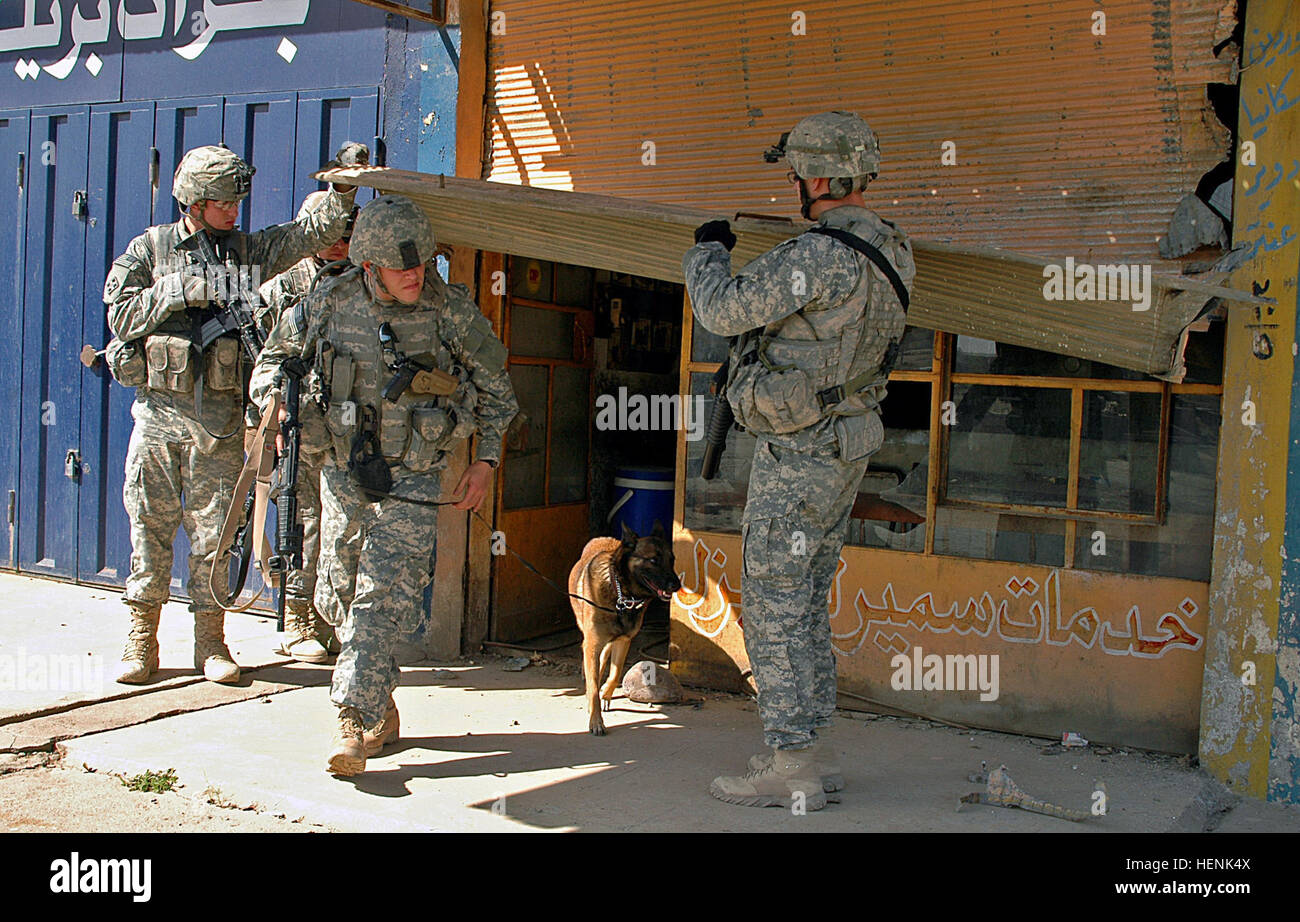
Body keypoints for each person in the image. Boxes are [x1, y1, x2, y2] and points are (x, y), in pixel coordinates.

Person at [682, 111, 914, 810]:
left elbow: (722, 311)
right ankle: (808, 751)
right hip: (844, 444)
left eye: (796, 175)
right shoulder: (895, 251)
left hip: (801, 448)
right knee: (806, 597)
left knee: (775, 604)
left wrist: (707, 252)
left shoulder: (819, 255)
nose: (793, 187)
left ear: (819, 177)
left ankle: (792, 767)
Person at [250, 194, 518, 776]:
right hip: (345, 473)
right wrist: (272, 401)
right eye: (403, 267)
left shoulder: (451, 311)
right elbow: (273, 359)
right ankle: (381, 707)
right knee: (338, 593)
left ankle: (349, 718)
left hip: (416, 479)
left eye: (421, 262)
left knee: (379, 598)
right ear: (369, 266)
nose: (416, 274)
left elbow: (499, 393)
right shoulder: (326, 300)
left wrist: (485, 462)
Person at [105, 141, 367, 686]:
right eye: (225, 202)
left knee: (214, 537)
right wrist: (174, 292)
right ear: (195, 202)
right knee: (150, 530)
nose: (235, 211)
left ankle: (210, 642)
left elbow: (304, 237)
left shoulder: (247, 254)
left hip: (219, 423)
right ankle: (141, 641)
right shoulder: (149, 251)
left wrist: (342, 191)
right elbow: (121, 315)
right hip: (158, 415)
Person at [253, 192, 358, 663]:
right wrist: (268, 411)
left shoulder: (363, 282)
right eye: (328, 233)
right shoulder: (281, 288)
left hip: (350, 424)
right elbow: (263, 358)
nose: (338, 243)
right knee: (301, 517)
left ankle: (334, 619)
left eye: (346, 234)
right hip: (296, 422)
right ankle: (296, 614)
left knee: (344, 527)